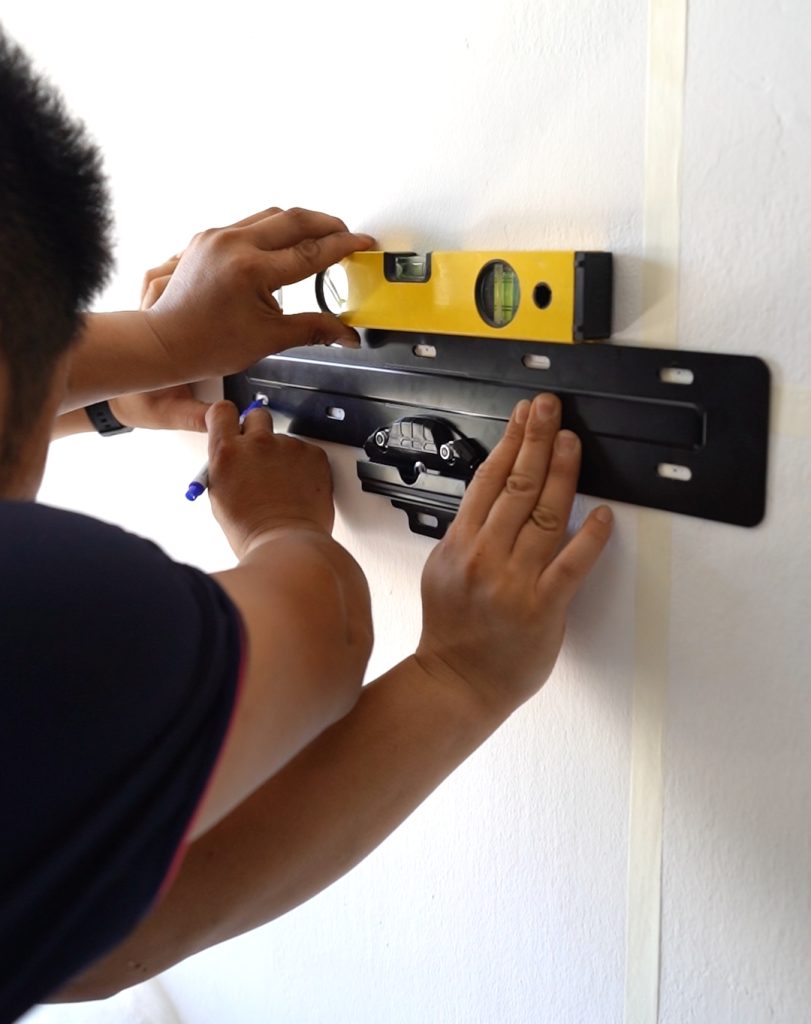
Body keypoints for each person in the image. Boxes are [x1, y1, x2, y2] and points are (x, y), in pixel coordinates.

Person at [0, 26, 613, 1023]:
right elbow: (320, 641)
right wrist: (296, 542)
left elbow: (71, 936)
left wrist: (152, 352)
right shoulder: (41, 616)